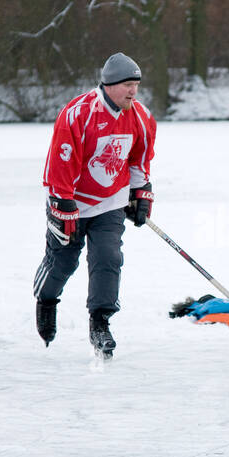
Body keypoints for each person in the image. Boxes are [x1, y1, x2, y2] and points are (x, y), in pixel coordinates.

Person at [34, 53, 156, 359]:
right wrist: (62, 204)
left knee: (108, 258)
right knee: (63, 263)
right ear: (110, 84)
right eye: (128, 84)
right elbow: (58, 165)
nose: (133, 91)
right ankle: (46, 301)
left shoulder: (140, 117)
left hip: (109, 203)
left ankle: (100, 322)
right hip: (72, 201)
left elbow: (140, 159)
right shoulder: (78, 114)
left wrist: (141, 191)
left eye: (136, 85)